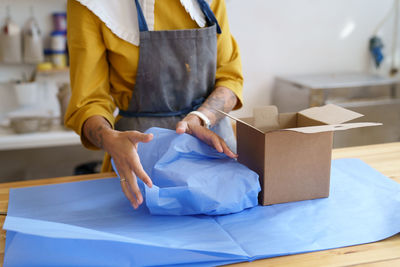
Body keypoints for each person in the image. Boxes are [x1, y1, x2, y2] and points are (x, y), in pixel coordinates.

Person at [65, 0, 243, 209]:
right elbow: (89, 101)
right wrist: (108, 138)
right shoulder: (90, 4)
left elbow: (230, 78)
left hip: (213, 158)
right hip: (140, 166)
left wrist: (201, 118)